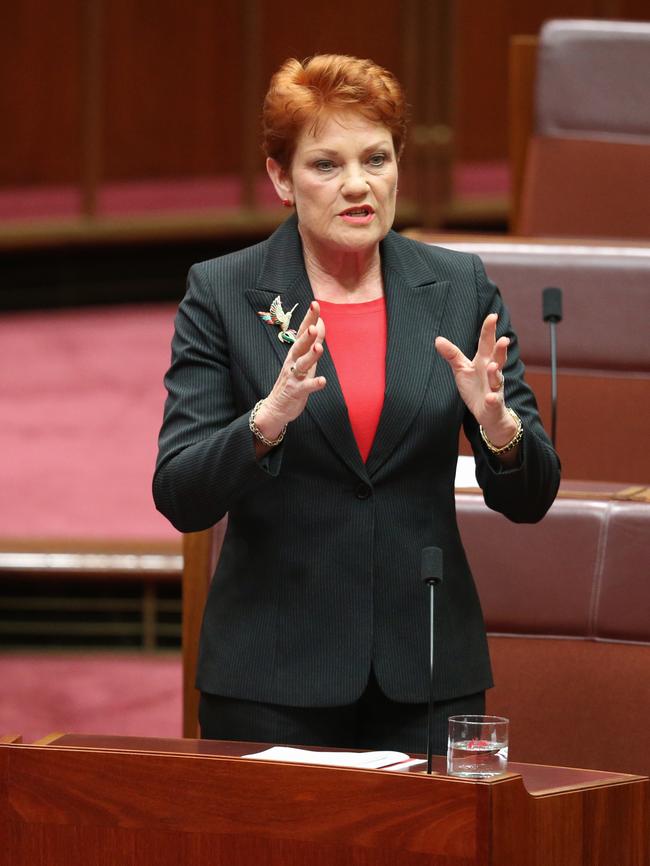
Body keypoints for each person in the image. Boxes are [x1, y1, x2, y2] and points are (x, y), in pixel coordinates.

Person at [153, 54, 560, 754]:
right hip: (272, 676)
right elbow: (181, 492)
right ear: (281, 177)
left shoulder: (459, 287)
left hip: (427, 672)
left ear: (400, 162)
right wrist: (265, 421)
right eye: (326, 165)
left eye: (376, 158)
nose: (357, 186)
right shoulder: (223, 293)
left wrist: (499, 429)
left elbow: (530, 496)